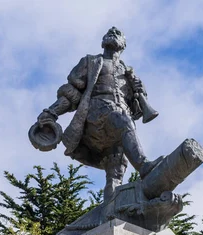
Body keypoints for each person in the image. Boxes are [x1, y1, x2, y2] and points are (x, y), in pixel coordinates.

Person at [36, 26, 161, 203]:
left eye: (117, 34)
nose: (112, 32)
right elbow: (72, 92)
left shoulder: (128, 72)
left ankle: (110, 209)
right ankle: (144, 166)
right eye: (109, 33)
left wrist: (140, 92)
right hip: (97, 112)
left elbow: (138, 111)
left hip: (119, 121)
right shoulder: (91, 61)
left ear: (123, 45)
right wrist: (52, 112)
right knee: (123, 121)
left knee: (116, 170)